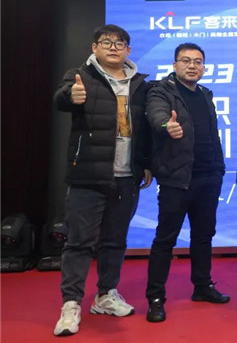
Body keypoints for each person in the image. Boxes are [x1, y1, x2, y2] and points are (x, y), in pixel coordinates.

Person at [53, 24, 152, 336]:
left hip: (127, 176)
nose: (113, 47)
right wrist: (71, 95)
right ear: (94, 47)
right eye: (106, 42)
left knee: (115, 241)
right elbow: (60, 99)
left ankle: (106, 295)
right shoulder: (80, 76)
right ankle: (71, 304)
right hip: (88, 174)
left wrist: (146, 163)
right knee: (79, 242)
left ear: (128, 50)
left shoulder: (140, 84)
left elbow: (145, 129)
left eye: (120, 43)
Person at [145, 43, 229, 323]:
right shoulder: (160, 91)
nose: (192, 66)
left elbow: (212, 134)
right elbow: (157, 116)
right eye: (186, 61)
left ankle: (202, 286)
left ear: (203, 67)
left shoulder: (205, 94)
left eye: (198, 61)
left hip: (209, 176)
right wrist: (166, 125)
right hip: (177, 179)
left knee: (203, 236)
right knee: (165, 239)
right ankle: (156, 298)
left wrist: (218, 169)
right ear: (175, 65)